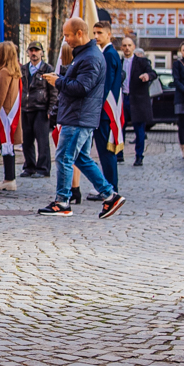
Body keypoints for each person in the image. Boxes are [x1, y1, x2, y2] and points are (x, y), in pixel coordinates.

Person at [38, 18, 125, 219]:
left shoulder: (91, 57)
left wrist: (58, 81)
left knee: (64, 157)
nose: (65, 39)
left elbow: (82, 88)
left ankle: (62, 202)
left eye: (68, 35)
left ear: (79, 33)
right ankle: (109, 195)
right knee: (80, 158)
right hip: (79, 116)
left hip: (79, 117)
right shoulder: (86, 55)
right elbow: (78, 83)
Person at [89, 17, 123, 199]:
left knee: (106, 151)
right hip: (104, 110)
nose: (96, 36)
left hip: (105, 111)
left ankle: (110, 189)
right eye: (94, 33)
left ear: (109, 34)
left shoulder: (109, 55)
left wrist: (96, 108)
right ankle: (109, 186)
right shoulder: (107, 53)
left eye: (99, 33)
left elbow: (105, 85)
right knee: (104, 151)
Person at [0, 41, 23, 190]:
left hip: (5, 113)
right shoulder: (14, 70)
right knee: (7, 146)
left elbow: (0, 94)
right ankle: (9, 178)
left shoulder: (4, 71)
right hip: (11, 111)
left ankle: (9, 179)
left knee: (7, 145)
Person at [121, 37, 159, 168]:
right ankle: (119, 154)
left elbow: (153, 73)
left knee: (139, 130)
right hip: (123, 98)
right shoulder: (119, 62)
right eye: (124, 45)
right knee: (120, 128)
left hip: (138, 100)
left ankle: (139, 156)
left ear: (133, 47)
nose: (127, 48)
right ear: (121, 48)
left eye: (129, 45)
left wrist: (147, 76)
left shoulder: (141, 62)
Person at [22, 41, 55, 177]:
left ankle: (43, 168)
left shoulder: (47, 69)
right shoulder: (23, 69)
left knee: (42, 141)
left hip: (41, 109)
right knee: (26, 141)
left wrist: (51, 110)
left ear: (41, 53)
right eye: (31, 50)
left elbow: (53, 91)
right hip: (26, 108)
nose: (34, 53)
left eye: (36, 50)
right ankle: (29, 166)